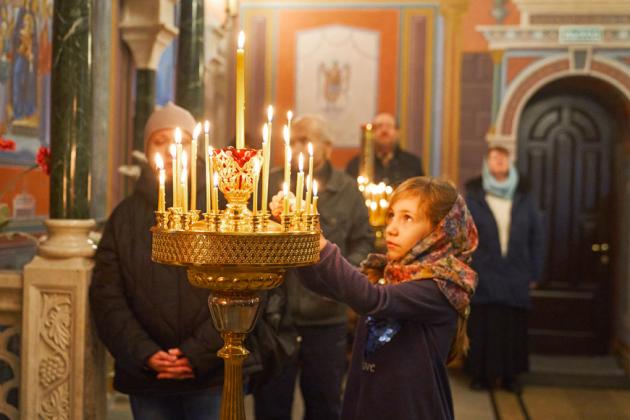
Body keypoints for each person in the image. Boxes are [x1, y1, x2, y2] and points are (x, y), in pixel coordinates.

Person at [90, 102, 263, 420]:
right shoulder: (126, 216)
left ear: (195, 150)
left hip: (211, 374)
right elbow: (106, 296)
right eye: (160, 141)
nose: (171, 150)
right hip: (148, 378)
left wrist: (196, 353)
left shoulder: (225, 211)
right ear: (148, 150)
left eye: (181, 141)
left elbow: (246, 286)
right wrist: (147, 354)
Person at [294, 177, 478, 419]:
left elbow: (372, 299)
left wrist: (320, 244)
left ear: (438, 232)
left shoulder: (439, 288)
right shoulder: (388, 273)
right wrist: (296, 240)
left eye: (407, 218)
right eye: (391, 215)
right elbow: (325, 285)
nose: (391, 227)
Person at [254, 115, 374, 420]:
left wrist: (341, 275)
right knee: (271, 405)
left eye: (305, 140)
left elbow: (364, 242)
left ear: (328, 147)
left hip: (326, 319)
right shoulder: (271, 184)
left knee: (324, 405)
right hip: (277, 317)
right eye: (292, 141)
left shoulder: (345, 190)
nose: (296, 147)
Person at [463, 146, 544, 393]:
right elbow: (464, 235)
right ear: (486, 163)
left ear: (510, 162)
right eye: (494, 158)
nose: (499, 161)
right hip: (484, 270)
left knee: (512, 326)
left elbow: (537, 235)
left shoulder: (524, 195)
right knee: (484, 324)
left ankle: (511, 376)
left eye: (503, 158)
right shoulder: (474, 194)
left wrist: (535, 272)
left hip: (516, 271)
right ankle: (481, 376)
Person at [345, 112, 424, 186]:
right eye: (379, 126)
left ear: (398, 132)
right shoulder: (356, 165)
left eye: (389, 126)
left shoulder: (413, 164)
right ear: (371, 133)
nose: (384, 130)